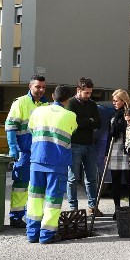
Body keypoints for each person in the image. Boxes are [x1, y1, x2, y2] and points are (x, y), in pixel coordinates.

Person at [25, 85, 77, 243]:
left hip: (37, 159)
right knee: (53, 199)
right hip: (57, 162)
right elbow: (72, 131)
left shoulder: (38, 111)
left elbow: (31, 129)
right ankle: (46, 236)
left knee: (34, 198)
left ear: (53, 96)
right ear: (67, 100)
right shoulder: (70, 115)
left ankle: (32, 234)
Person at [4, 75, 48, 228]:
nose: (41, 90)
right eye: (38, 87)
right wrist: (13, 147)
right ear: (30, 86)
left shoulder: (46, 105)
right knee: (21, 185)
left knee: (37, 186)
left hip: (40, 153)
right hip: (24, 152)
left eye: (43, 87)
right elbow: (10, 126)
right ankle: (16, 217)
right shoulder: (20, 103)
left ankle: (33, 216)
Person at [66, 77, 102, 215]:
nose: (89, 95)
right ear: (78, 90)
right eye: (86, 93)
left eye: (90, 93)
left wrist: (84, 122)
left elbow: (98, 123)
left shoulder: (92, 104)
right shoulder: (70, 103)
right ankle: (73, 209)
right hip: (75, 145)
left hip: (89, 145)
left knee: (92, 177)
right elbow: (73, 123)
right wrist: (89, 121)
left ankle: (92, 206)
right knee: (73, 178)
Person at [105, 89, 130, 215]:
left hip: (127, 148)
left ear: (123, 101)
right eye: (113, 100)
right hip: (114, 148)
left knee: (129, 180)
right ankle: (117, 208)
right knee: (115, 180)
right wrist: (106, 153)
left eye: (116, 100)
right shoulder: (114, 114)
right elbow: (109, 134)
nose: (114, 103)